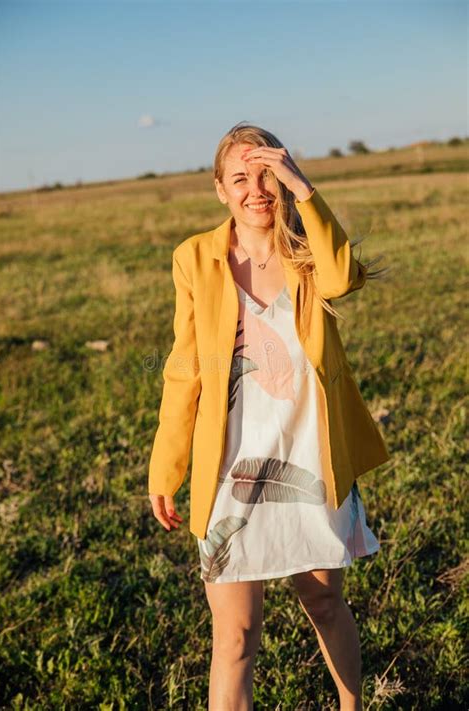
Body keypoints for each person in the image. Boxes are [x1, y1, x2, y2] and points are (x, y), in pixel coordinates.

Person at [149, 121, 391, 711]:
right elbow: (184, 367)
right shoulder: (195, 258)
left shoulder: (309, 251)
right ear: (219, 188)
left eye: (267, 174)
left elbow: (342, 277)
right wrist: (165, 466)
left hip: (308, 455)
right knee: (234, 636)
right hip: (228, 465)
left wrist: (303, 188)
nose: (255, 189)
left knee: (325, 604)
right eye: (240, 178)